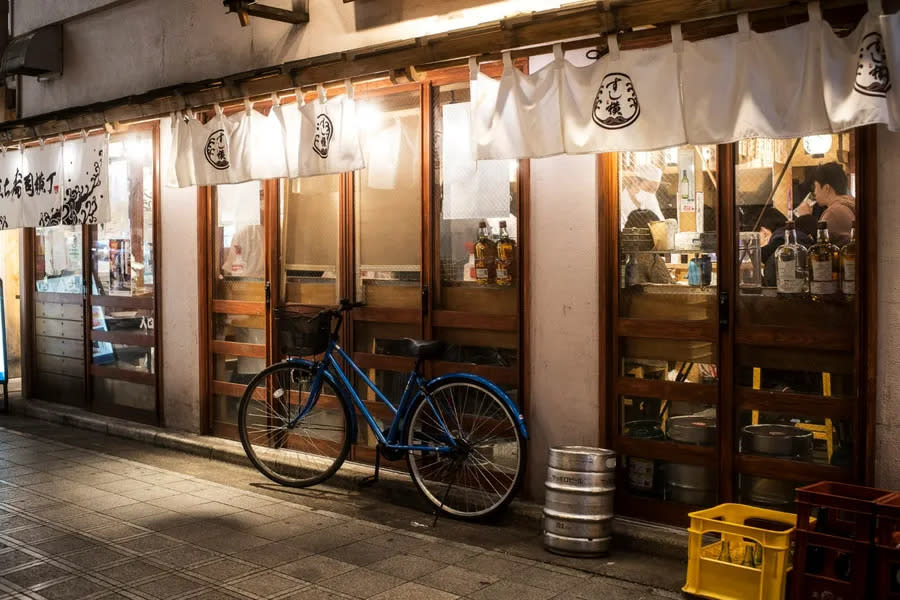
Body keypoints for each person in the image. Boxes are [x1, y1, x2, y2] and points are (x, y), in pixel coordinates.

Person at [795, 162, 855, 244]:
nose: (814, 192)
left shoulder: (834, 212)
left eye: (816, 186)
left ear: (826, 188)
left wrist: (805, 217)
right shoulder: (849, 203)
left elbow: (822, 246)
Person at [758, 207, 813, 286]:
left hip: (790, 290)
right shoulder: (799, 235)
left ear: (764, 231)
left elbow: (765, 253)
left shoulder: (780, 238)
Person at [620, 164, 664, 230]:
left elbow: (660, 222)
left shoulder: (651, 196)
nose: (651, 193)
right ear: (635, 181)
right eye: (649, 188)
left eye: (654, 190)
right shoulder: (621, 201)